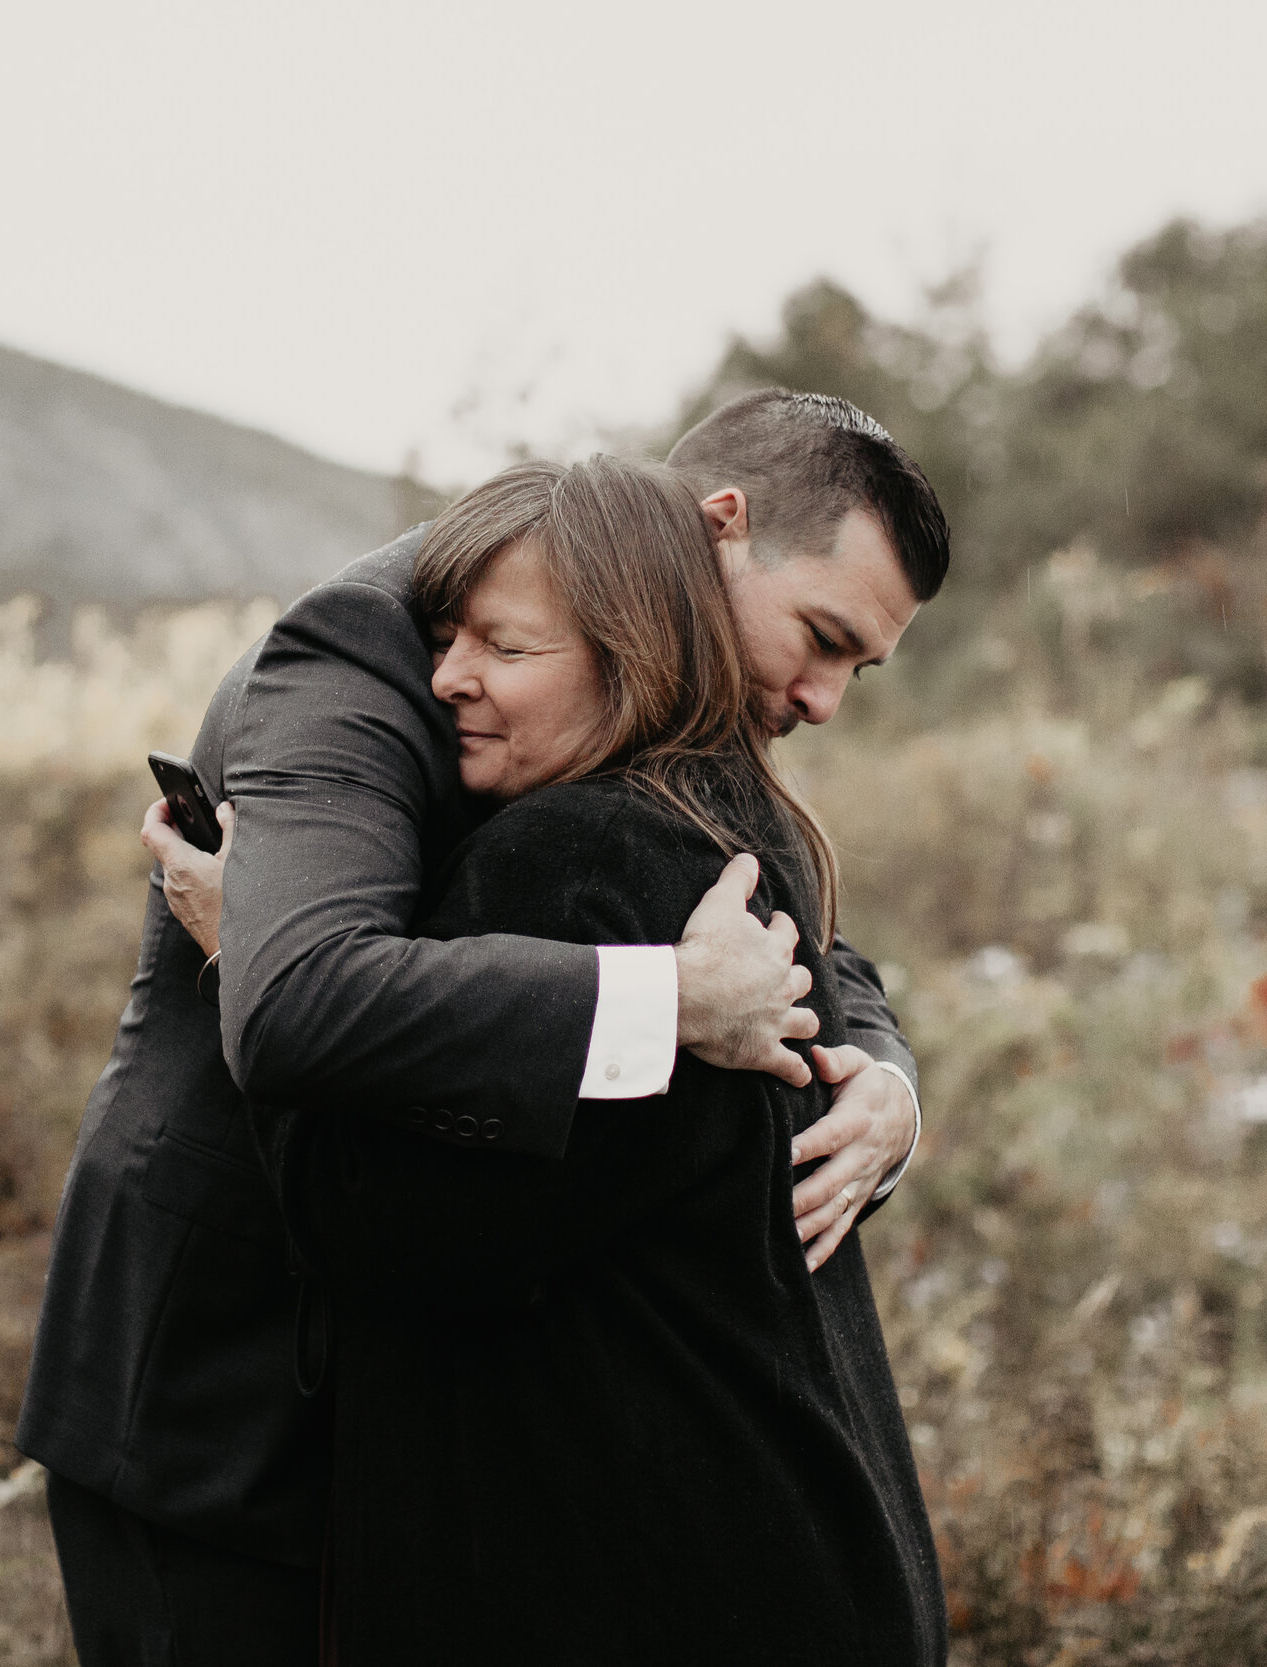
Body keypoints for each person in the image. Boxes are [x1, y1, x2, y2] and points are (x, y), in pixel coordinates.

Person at [17, 390, 951, 1665]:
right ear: (721, 529)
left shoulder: (648, 756)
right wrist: (665, 999)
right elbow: (292, 995)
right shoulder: (368, 656)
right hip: (221, 1378)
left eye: (859, 663)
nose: (827, 696)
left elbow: (793, 930)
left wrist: (886, 1077)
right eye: (823, 635)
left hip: (432, 1397)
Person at [289, 455, 941, 1662]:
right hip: (806, 1547)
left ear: (625, 642)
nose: (447, 680)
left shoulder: (569, 859)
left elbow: (388, 1237)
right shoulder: (748, 829)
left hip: (661, 1587)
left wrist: (254, 971)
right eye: (447, 636)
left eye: (504, 645)